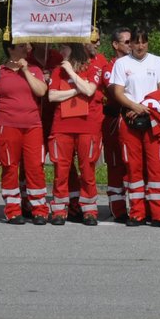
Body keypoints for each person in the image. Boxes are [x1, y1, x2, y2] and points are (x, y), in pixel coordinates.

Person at [110, 28, 160, 227]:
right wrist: (134, 107)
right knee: (133, 168)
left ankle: (159, 215)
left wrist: (144, 107)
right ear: (131, 45)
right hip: (129, 119)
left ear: (147, 42)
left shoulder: (157, 61)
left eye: (143, 42)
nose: (139, 46)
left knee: (156, 167)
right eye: (135, 42)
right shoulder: (121, 64)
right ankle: (137, 213)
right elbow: (118, 92)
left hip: (152, 118)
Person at [0, 41, 51, 224]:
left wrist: (26, 71)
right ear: (10, 49)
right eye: (22, 46)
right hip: (7, 126)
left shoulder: (34, 70)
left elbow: (41, 91)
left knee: (35, 167)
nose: (27, 49)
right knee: (10, 167)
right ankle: (13, 210)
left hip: (32, 126)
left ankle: (39, 209)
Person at [47, 42, 105, 225]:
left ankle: (89, 210)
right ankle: (59, 210)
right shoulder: (58, 71)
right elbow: (52, 96)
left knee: (87, 169)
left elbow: (89, 90)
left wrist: (72, 73)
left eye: (64, 47)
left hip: (87, 127)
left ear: (75, 49)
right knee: (61, 171)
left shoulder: (91, 67)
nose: (60, 50)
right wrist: (75, 90)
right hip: (62, 126)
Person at [102, 27, 132, 220]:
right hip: (115, 120)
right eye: (127, 42)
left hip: (135, 119)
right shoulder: (109, 67)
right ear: (116, 44)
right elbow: (115, 93)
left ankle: (140, 207)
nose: (132, 45)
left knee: (135, 165)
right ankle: (119, 209)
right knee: (115, 166)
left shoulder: (138, 64)